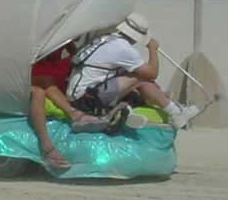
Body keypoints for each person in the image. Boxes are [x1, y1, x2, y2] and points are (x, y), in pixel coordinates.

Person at [66, 13, 200, 129]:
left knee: (137, 86)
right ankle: (176, 113)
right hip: (86, 99)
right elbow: (152, 73)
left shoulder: (105, 39)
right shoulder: (122, 48)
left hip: (78, 94)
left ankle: (129, 110)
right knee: (140, 79)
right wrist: (152, 48)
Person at [27, 43, 115, 169]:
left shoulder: (62, 35)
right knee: (38, 91)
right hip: (24, 72)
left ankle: (75, 114)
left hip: (43, 71)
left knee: (47, 80)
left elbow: (74, 51)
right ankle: (46, 146)